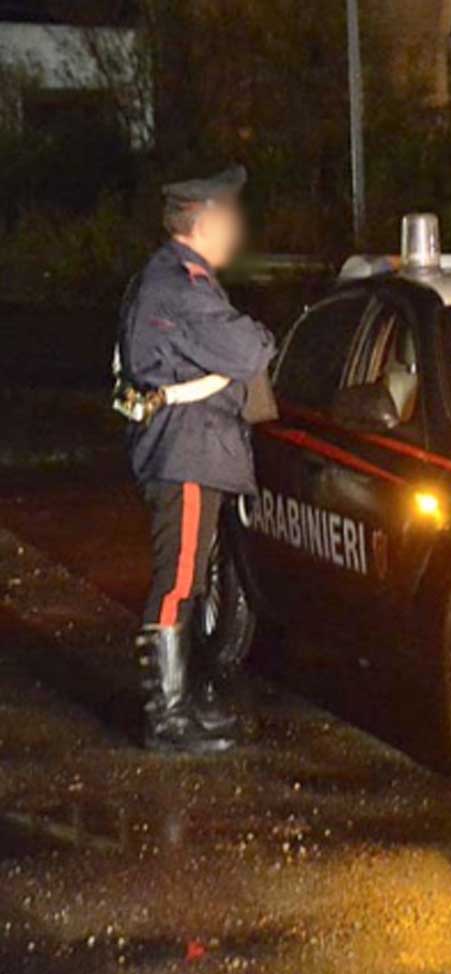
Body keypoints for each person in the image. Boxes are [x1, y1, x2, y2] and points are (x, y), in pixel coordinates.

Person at [119, 164, 276, 753]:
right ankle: (166, 717)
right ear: (205, 221)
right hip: (184, 448)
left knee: (185, 580)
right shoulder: (180, 286)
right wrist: (255, 342)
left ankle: (180, 705)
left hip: (192, 446)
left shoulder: (180, 280)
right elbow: (250, 347)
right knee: (178, 579)